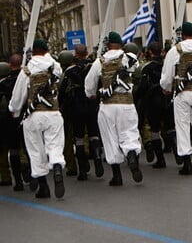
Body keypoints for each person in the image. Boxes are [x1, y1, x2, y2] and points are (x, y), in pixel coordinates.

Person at [9, 39, 66, 198]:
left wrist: (14, 109)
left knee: (35, 150)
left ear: (33, 52)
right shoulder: (56, 67)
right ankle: (56, 168)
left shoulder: (26, 70)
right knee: (54, 145)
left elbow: (17, 98)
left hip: (34, 115)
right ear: (46, 51)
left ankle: (43, 187)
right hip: (54, 113)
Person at [85, 32, 143, 186]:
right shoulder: (128, 58)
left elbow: (89, 85)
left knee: (110, 139)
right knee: (129, 134)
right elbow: (138, 73)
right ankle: (131, 155)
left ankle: (117, 176)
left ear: (108, 44)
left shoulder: (100, 62)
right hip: (127, 104)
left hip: (107, 106)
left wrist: (91, 94)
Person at [160, 22, 192, 174]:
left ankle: (187, 164)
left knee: (182, 126)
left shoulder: (174, 51)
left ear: (182, 35)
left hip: (182, 93)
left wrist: (166, 88)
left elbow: (167, 74)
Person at [58, 45, 104, 181]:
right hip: (91, 104)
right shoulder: (93, 67)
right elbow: (101, 84)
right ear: (87, 53)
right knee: (94, 134)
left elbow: (62, 90)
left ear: (75, 55)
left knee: (78, 138)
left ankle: (83, 169)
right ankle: (97, 157)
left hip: (76, 107)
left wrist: (61, 105)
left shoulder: (70, 71)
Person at [137, 42, 171, 168]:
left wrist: (139, 97)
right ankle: (179, 154)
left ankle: (161, 160)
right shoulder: (167, 65)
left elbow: (143, 87)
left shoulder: (147, 68)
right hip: (168, 99)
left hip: (153, 101)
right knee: (170, 127)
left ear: (150, 52)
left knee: (155, 130)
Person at [0, 54, 31, 192]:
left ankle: (17, 181)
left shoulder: (4, 84)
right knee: (29, 147)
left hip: (10, 119)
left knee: (13, 150)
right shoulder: (28, 79)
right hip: (27, 116)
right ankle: (30, 172)